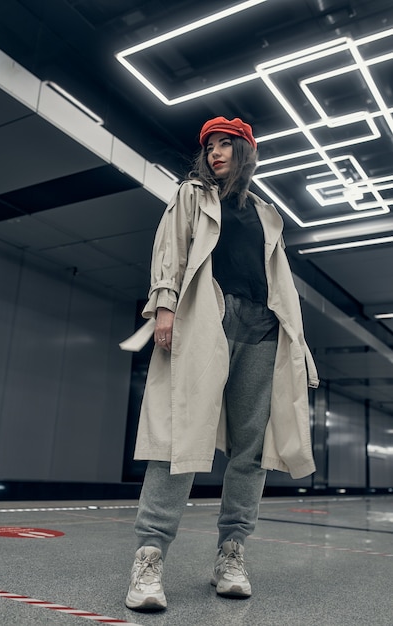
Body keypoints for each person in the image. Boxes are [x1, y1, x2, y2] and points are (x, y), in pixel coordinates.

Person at [120, 116, 319, 612]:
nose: (215, 153)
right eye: (209, 146)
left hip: (263, 329)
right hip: (207, 317)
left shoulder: (268, 216)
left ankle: (232, 554)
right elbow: (171, 250)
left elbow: (284, 289)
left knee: (250, 449)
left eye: (226, 145)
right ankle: (149, 559)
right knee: (178, 435)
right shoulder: (192, 195)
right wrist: (164, 305)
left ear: (246, 152)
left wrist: (297, 341)